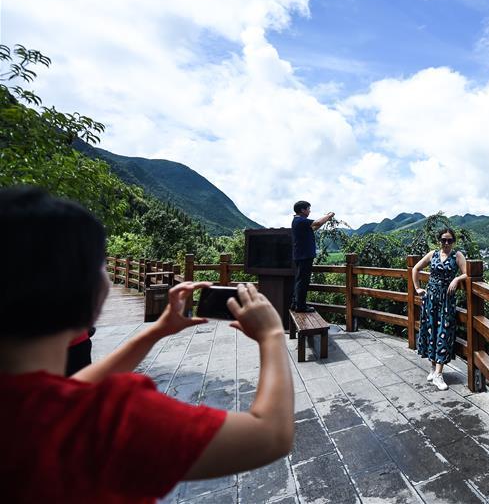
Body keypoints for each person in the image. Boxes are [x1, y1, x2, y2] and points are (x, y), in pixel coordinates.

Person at [0, 187, 294, 503]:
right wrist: (272, 336)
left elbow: (71, 389)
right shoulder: (111, 420)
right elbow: (270, 435)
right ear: (81, 291)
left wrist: (157, 331)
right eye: (101, 264)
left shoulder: (31, 406)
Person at [412, 228, 467, 391]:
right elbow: (415, 269)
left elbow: (467, 273)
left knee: (444, 332)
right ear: (439, 240)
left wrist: (456, 279)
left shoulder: (457, 255)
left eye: (450, 240)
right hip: (431, 299)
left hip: (446, 301)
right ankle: (433, 368)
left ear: (454, 241)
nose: (446, 243)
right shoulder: (432, 254)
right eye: (444, 240)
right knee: (431, 332)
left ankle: (438, 374)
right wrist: (417, 288)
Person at [291, 200, 334, 313]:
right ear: (302, 210)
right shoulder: (300, 220)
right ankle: (300, 306)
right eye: (308, 209)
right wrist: (328, 215)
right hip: (304, 255)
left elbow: (315, 227)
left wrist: (326, 220)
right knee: (303, 281)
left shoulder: (299, 222)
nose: (309, 211)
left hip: (301, 255)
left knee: (300, 280)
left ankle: (296, 303)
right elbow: (317, 223)